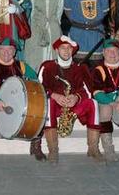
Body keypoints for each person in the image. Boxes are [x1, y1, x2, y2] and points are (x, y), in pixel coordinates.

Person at [0, 37, 44, 162]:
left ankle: (36, 144)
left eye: (10, 50)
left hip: (20, 108)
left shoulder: (21, 66)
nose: (6, 53)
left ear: (15, 52)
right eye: (3, 50)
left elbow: (35, 83)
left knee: (40, 103)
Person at [38, 35, 104, 164]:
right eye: (63, 48)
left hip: (74, 105)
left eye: (69, 48)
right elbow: (38, 89)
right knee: (49, 103)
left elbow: (89, 91)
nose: (67, 51)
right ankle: (53, 150)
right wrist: (54, 95)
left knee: (93, 103)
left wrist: (76, 97)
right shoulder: (47, 66)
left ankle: (93, 148)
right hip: (55, 105)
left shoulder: (80, 68)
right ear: (57, 49)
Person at [64, 0, 109, 67]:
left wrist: (92, 23)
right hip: (77, 35)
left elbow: (104, 11)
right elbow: (68, 10)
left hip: (95, 35)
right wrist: (80, 23)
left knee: (96, 69)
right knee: (77, 69)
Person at [25, 0, 64, 71]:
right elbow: (31, 13)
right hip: (37, 28)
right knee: (35, 56)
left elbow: (59, 12)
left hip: (53, 28)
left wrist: (53, 24)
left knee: (54, 54)